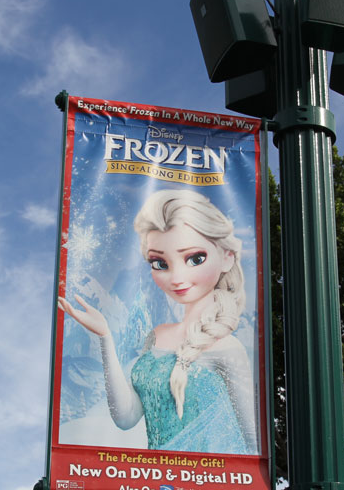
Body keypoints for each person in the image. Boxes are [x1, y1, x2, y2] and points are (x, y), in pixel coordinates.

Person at [58, 189, 257, 454]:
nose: (176, 277)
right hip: (158, 482)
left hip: (213, 482)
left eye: (195, 258)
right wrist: (105, 337)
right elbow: (126, 417)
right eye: (160, 263)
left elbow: (252, 439)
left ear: (227, 257)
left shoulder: (229, 348)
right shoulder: (156, 336)